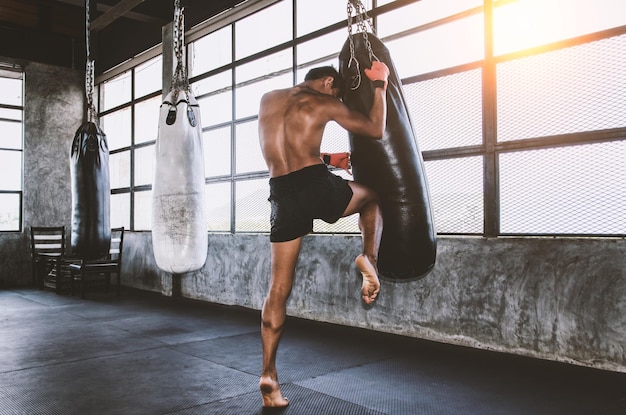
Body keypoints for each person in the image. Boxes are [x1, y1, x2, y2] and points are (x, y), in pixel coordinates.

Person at [257, 62, 390, 408]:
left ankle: (269, 376)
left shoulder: (268, 99)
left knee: (278, 289)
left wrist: (329, 158)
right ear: (328, 81)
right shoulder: (324, 102)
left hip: (281, 193)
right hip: (316, 186)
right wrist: (380, 85)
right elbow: (375, 129)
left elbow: (287, 149)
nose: (338, 98)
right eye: (338, 91)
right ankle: (369, 258)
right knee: (372, 197)